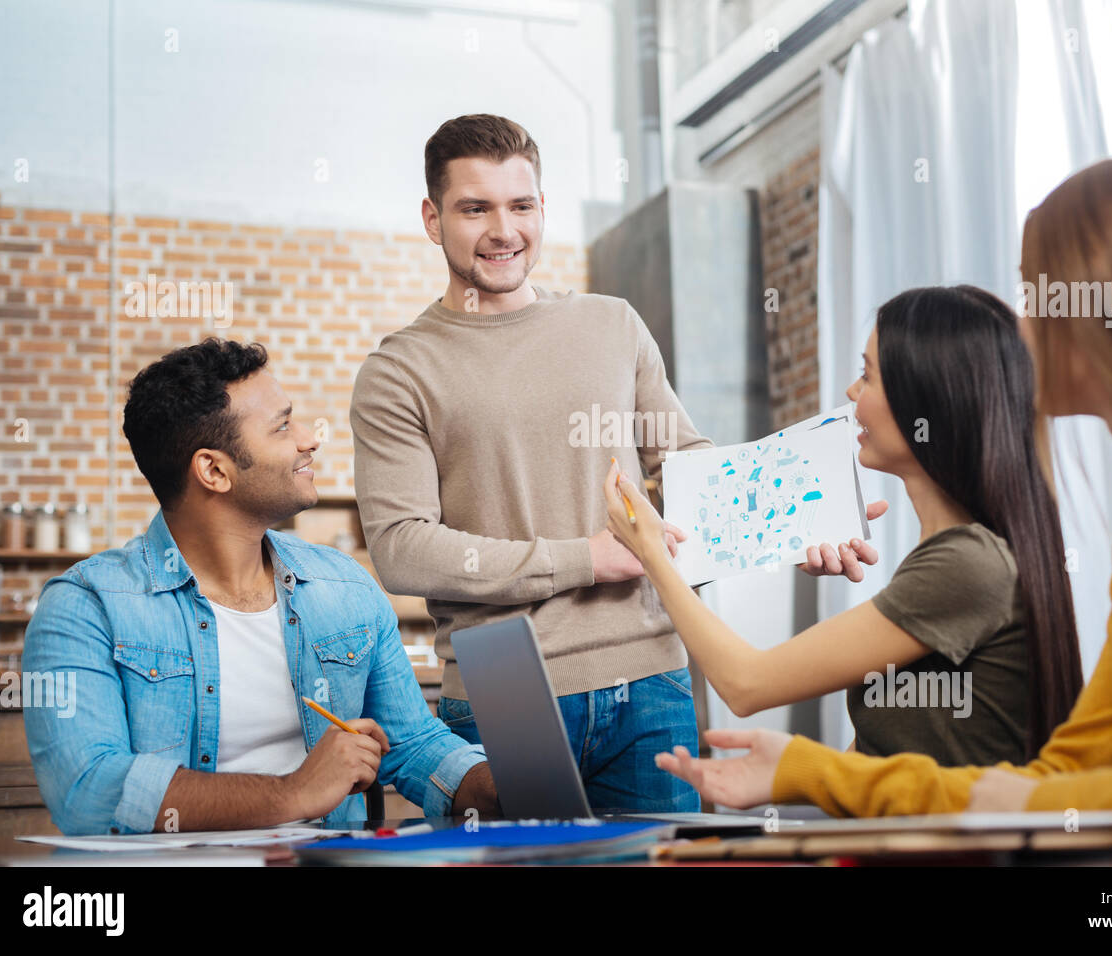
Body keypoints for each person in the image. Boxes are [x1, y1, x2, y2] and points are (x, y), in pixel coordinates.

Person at [649, 151, 1112, 846]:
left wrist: (654, 553)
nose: (1025, 329)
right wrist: (813, 770)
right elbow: (1061, 775)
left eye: (1040, 298)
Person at [349, 113, 874, 813]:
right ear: (432, 217)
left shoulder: (612, 324)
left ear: (542, 208)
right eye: (476, 208)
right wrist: (585, 560)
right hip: (508, 690)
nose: (503, 229)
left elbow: (687, 462)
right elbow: (402, 550)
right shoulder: (399, 370)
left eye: (521, 205)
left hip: (653, 677)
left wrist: (800, 519)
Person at [23, 338, 499, 836]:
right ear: (213, 470)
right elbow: (90, 791)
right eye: (282, 426)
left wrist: (500, 787)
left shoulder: (345, 587)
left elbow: (414, 745)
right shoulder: (85, 608)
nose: (308, 439)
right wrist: (294, 792)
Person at [605, 284, 1083, 769]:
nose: (852, 392)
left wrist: (651, 553)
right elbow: (881, 751)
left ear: (929, 400)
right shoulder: (953, 556)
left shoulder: (968, 564)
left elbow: (746, 685)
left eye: (868, 376)